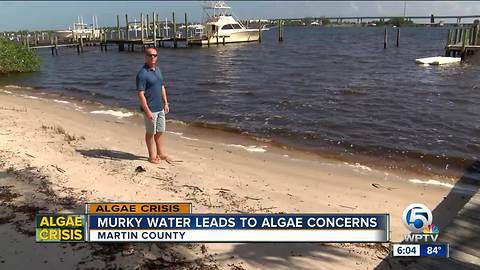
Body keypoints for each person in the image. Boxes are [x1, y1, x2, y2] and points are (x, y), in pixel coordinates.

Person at [136, 48, 170, 163]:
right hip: (150, 109)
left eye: (155, 55)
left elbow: (161, 86)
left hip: (160, 108)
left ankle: (160, 153)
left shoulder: (158, 70)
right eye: (150, 55)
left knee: (160, 131)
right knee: (151, 133)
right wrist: (147, 111)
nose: (152, 57)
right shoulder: (142, 74)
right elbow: (140, 94)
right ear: (145, 57)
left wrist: (166, 102)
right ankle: (152, 156)